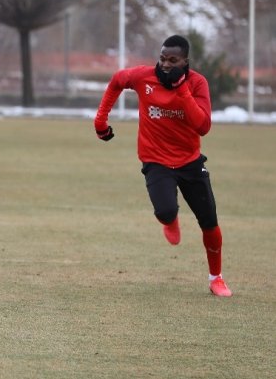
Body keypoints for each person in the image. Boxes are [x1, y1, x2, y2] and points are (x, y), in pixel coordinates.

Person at [94, 34, 232, 297]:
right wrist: (101, 121)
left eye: (173, 60)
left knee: (210, 222)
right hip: (155, 160)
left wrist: (181, 90)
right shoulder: (143, 77)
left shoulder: (197, 83)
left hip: (190, 161)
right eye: (162, 58)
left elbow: (202, 126)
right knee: (166, 211)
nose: (166, 64)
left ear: (185, 61)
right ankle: (170, 219)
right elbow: (116, 81)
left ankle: (216, 279)